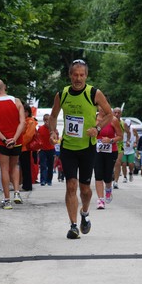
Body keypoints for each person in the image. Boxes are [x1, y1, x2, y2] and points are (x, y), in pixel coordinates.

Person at [49, 59, 112, 239]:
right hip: (68, 147)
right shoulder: (62, 94)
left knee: (85, 189)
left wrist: (97, 129)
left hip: (87, 147)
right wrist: (53, 131)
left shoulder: (93, 93)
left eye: (81, 75)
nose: (78, 78)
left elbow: (109, 115)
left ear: (86, 75)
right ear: (70, 75)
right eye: (75, 75)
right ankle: (73, 225)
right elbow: (53, 115)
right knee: (71, 185)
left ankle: (84, 212)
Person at [0, 78, 26, 210]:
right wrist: (14, 138)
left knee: (4, 168)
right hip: (17, 141)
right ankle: (17, 192)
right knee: (14, 166)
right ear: (5, 87)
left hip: (2, 142)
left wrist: (4, 139)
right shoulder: (16, 101)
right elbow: (22, 122)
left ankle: (7, 200)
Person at [94, 106, 123, 209]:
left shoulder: (113, 120)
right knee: (98, 174)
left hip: (111, 151)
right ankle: (100, 200)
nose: (102, 109)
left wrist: (110, 140)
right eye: (100, 107)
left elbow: (120, 136)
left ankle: (108, 189)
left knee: (107, 175)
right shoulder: (93, 119)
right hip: (97, 150)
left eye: (104, 107)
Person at [20, 103, 37, 192]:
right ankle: (25, 184)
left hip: (25, 147)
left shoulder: (30, 122)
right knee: (24, 167)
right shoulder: (26, 121)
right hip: (22, 147)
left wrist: (19, 143)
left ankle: (27, 185)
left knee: (26, 167)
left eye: (24, 111)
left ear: (28, 112)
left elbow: (28, 136)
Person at [38, 113, 56, 186]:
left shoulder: (53, 129)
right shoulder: (40, 128)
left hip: (51, 149)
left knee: (50, 165)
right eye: (45, 120)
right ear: (43, 120)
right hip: (42, 150)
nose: (46, 122)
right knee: (43, 165)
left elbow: (56, 139)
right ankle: (43, 180)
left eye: (48, 120)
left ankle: (49, 180)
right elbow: (38, 138)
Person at [112, 107, 125, 189]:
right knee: (109, 164)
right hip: (110, 145)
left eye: (118, 113)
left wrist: (127, 140)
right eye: (115, 112)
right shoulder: (109, 121)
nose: (117, 114)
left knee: (118, 163)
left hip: (119, 146)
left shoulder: (124, 123)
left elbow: (128, 132)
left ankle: (116, 181)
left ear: (121, 114)